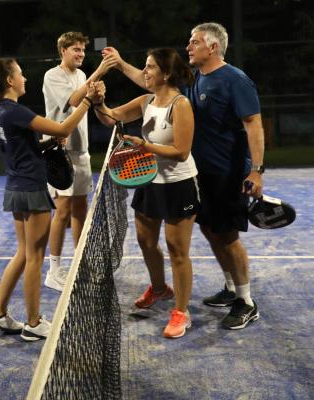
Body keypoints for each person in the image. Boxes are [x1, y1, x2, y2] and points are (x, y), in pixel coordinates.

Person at [103, 21, 265, 330]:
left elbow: (253, 122)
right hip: (198, 173)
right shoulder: (194, 81)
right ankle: (231, 288)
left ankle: (246, 300)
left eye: (194, 42)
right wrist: (120, 63)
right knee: (211, 231)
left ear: (212, 47)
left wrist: (256, 170)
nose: (188, 46)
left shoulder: (234, 79)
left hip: (226, 173)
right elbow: (152, 82)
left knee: (228, 236)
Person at [0, 57, 101, 341]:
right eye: (20, 74)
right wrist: (87, 102)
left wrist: (45, 144)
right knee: (34, 258)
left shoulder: (2, 112)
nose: (25, 78)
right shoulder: (15, 110)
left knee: (23, 254)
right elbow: (63, 129)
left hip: (16, 188)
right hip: (31, 190)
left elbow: (25, 145)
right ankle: (33, 322)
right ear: (10, 80)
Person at [94, 48, 198, 338]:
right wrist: (98, 102)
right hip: (150, 182)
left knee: (177, 250)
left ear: (165, 73)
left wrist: (146, 147)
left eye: (150, 67)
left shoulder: (181, 105)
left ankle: (181, 312)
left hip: (178, 184)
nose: (145, 71)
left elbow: (181, 151)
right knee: (145, 241)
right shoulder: (145, 101)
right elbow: (111, 117)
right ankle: (160, 287)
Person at [42, 32, 115, 292]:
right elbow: (74, 101)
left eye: (83, 50)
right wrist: (100, 72)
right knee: (62, 211)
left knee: (80, 210)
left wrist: (99, 96)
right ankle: (54, 270)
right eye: (76, 49)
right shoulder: (52, 75)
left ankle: (79, 264)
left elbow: (87, 99)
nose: (81, 53)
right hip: (58, 152)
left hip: (81, 151)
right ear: (63, 50)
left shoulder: (82, 76)